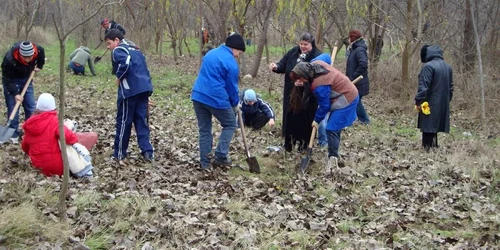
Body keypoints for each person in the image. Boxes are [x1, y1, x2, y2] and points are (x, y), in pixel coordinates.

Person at [290, 61, 359, 174]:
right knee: (333, 128)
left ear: (306, 75)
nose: (300, 82)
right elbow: (326, 57)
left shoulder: (319, 85)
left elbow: (325, 106)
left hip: (347, 98)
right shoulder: (315, 64)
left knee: (331, 128)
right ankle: (334, 152)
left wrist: (317, 120)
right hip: (341, 93)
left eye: (300, 79)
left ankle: (333, 161)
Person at [191, 33, 246, 169]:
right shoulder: (231, 63)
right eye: (239, 52)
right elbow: (232, 88)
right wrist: (235, 104)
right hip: (216, 98)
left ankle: (205, 163)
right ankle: (221, 155)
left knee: (204, 130)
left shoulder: (210, 53)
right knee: (230, 124)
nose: (238, 55)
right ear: (234, 48)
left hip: (198, 95)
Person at [104, 28, 154, 164]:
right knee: (141, 121)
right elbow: (144, 69)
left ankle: (119, 153)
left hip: (129, 91)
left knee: (124, 121)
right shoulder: (136, 49)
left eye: (109, 44)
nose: (108, 48)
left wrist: (119, 77)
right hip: (144, 88)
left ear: (116, 40)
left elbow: (125, 63)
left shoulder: (118, 50)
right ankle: (147, 151)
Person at [269, 32, 322, 152]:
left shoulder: (317, 57)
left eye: (306, 44)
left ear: (312, 44)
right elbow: (283, 65)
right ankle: (288, 144)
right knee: (290, 118)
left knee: (305, 120)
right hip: (291, 93)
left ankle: (304, 145)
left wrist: (305, 83)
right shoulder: (293, 52)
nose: (303, 46)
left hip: (308, 96)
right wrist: (276, 66)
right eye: (301, 43)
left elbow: (319, 77)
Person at [21, 93, 94, 178]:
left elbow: (25, 147)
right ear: (53, 107)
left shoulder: (30, 125)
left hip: (38, 169)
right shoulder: (55, 121)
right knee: (68, 146)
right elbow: (70, 137)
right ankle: (84, 170)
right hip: (57, 169)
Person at [2, 41, 45, 144]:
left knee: (30, 106)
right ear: (20, 54)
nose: (28, 59)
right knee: (13, 108)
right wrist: (16, 94)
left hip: (27, 78)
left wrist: (39, 65)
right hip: (12, 80)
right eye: (25, 57)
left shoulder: (37, 50)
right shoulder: (9, 60)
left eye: (30, 57)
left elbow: (41, 54)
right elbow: (7, 79)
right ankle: (13, 135)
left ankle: (29, 132)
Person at [415, 45, 453, 151]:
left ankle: (427, 148)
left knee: (428, 126)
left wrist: (418, 101)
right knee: (434, 126)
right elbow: (451, 88)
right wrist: (447, 101)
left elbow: (423, 86)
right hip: (443, 102)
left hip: (429, 101)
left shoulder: (428, 67)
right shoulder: (447, 67)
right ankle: (433, 146)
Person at [346, 29, 370, 125]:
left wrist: (354, 76)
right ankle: (357, 119)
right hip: (355, 81)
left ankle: (364, 120)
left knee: (355, 101)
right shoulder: (355, 48)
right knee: (354, 101)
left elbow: (363, 64)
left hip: (359, 82)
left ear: (352, 38)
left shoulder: (359, 49)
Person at [311, 53, 332, 147]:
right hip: (320, 96)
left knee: (323, 118)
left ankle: (323, 142)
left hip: (328, 96)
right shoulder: (312, 69)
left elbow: (325, 104)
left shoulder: (323, 78)